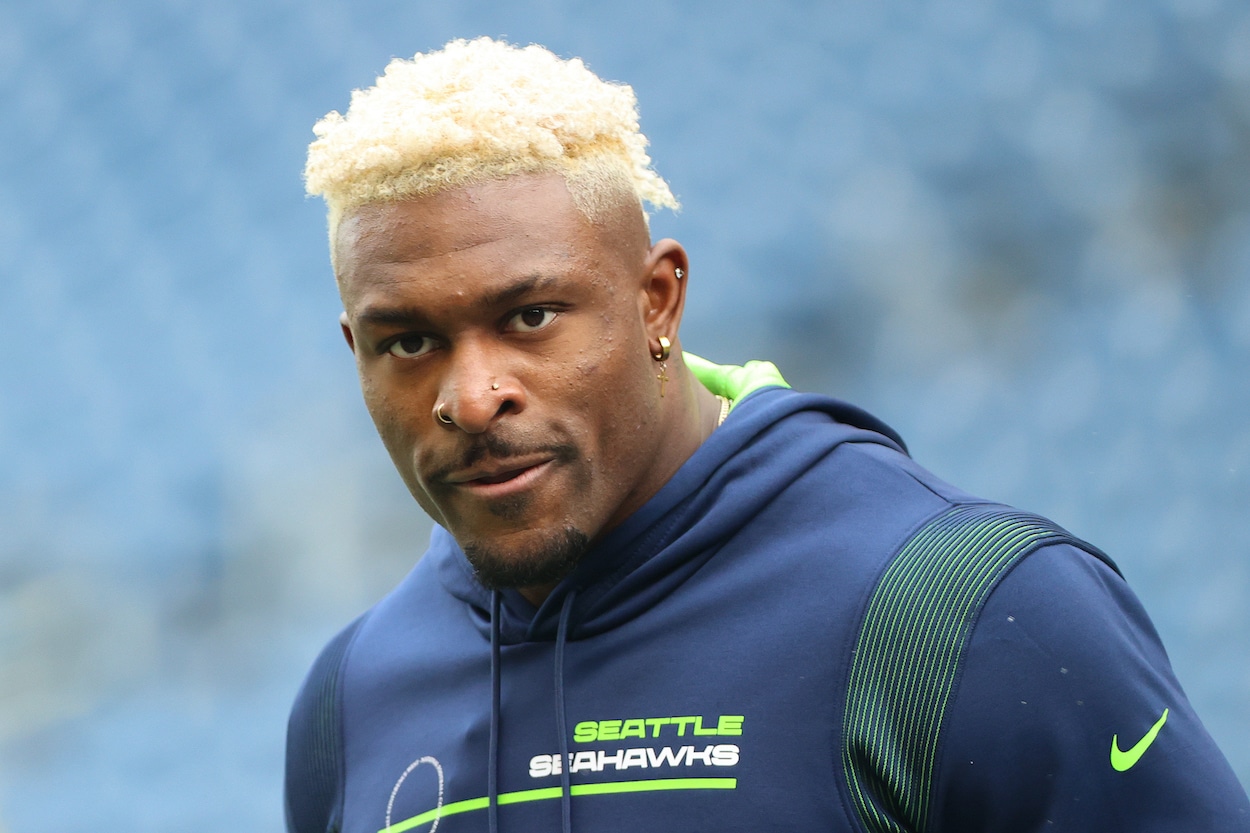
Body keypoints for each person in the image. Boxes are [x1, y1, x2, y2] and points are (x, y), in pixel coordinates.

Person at [285, 37, 1249, 833]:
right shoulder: (352, 699)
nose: (472, 393)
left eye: (531, 317)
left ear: (656, 298)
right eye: (407, 341)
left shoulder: (968, 614)